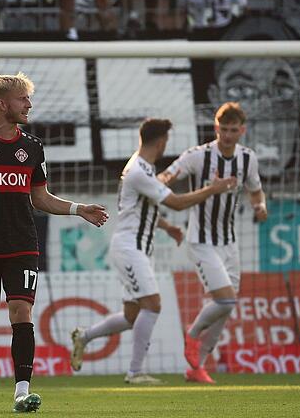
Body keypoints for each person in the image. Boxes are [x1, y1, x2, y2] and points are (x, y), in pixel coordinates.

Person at [0, 73, 109, 412]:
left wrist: (78, 209)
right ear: (3, 103)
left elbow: (41, 198)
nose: (29, 105)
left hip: (22, 243)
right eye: (23, 99)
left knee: (22, 311)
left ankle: (21, 392)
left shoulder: (31, 146)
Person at [70, 118, 237, 384]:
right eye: (167, 141)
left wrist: (168, 227)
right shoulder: (139, 171)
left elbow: (140, 210)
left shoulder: (142, 167)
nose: (166, 145)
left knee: (131, 316)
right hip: (130, 248)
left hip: (137, 248)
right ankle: (135, 373)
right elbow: (178, 202)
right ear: (161, 142)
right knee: (153, 305)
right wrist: (212, 189)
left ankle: (85, 336)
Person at [159, 102, 267, 384]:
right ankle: (192, 335)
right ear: (216, 128)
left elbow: (256, 191)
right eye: (224, 130)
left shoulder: (248, 159)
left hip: (229, 244)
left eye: (234, 130)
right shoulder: (198, 156)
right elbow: (167, 176)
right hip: (201, 240)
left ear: (242, 130)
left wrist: (260, 207)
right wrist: (162, 180)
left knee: (226, 307)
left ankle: (197, 368)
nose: (228, 135)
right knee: (226, 298)